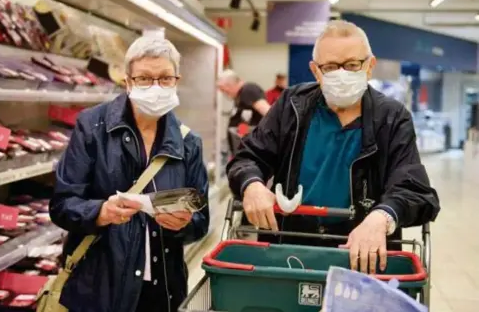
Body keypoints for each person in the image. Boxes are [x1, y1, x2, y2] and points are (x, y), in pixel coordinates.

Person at [226, 20, 440, 274]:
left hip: (362, 255)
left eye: (351, 65)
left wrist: (382, 217)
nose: (341, 74)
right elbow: (247, 158)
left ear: (369, 66)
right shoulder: (292, 107)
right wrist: (252, 185)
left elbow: (415, 190)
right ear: (316, 71)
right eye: (330, 67)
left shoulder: (391, 118)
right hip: (291, 249)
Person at [49, 36, 209, 312]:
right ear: (128, 81)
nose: (156, 87)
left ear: (176, 81)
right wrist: (101, 212)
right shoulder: (93, 128)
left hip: (162, 291)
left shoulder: (188, 143)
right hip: (100, 289)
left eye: (165, 78)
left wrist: (185, 223)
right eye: (145, 78)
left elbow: (201, 220)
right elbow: (62, 205)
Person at [217, 69, 270, 153]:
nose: (224, 93)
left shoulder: (249, 90)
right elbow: (245, 120)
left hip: (253, 151)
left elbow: (269, 114)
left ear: (230, 84)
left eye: (224, 89)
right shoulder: (239, 96)